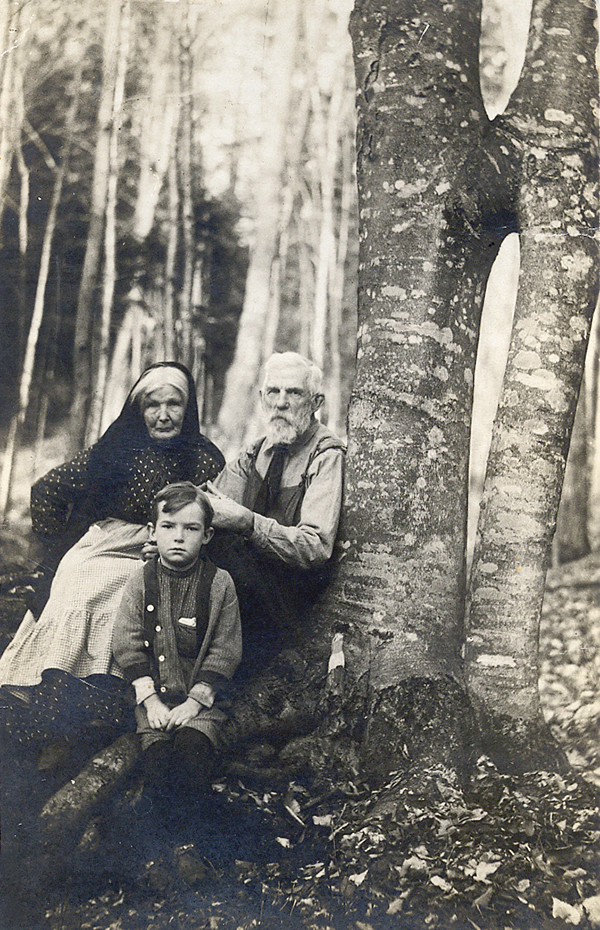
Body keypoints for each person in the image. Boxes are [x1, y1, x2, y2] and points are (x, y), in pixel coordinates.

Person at [0, 362, 224, 753]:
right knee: (79, 585)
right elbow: (46, 490)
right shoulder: (116, 449)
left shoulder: (205, 459)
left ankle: (97, 706)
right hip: (106, 541)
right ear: (139, 408)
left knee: (128, 593)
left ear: (189, 410)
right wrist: (57, 549)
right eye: (153, 405)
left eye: (175, 404)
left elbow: (213, 521)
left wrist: (174, 538)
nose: (164, 415)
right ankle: (45, 701)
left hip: (163, 553)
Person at [112, 482, 241, 864]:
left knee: (192, 756)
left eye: (191, 528)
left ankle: (190, 850)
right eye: (168, 527)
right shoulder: (141, 581)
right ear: (152, 532)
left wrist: (196, 700)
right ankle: (156, 856)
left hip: (201, 704)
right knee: (157, 766)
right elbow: (127, 640)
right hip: (152, 703)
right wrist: (149, 699)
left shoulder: (220, 584)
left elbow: (225, 648)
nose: (179, 538)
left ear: (208, 535)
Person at [205, 351, 345, 666]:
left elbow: (316, 547)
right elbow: (213, 505)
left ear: (315, 403)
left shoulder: (326, 455)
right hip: (247, 587)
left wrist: (248, 523)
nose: (281, 403)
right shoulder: (256, 451)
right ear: (262, 398)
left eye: (294, 393)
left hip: (293, 599)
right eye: (274, 392)